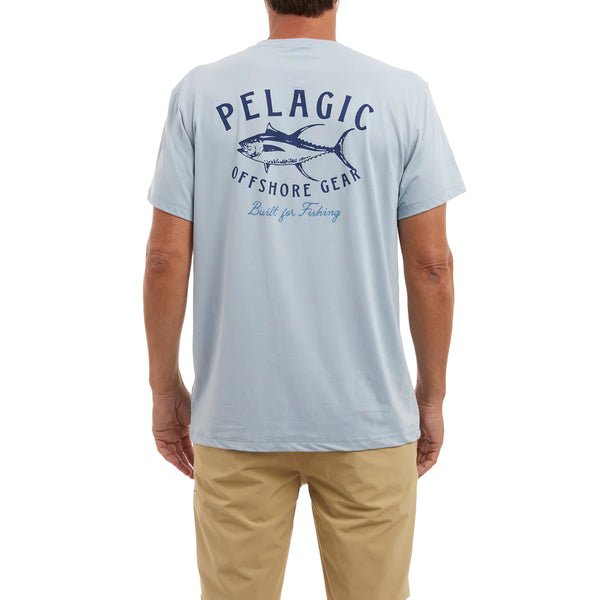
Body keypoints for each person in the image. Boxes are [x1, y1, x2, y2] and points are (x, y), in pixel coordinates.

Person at [143, 0, 466, 597]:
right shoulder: (402, 95)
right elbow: (432, 267)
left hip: (237, 417)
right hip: (368, 417)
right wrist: (431, 395)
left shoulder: (199, 93)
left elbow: (165, 259)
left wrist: (165, 388)